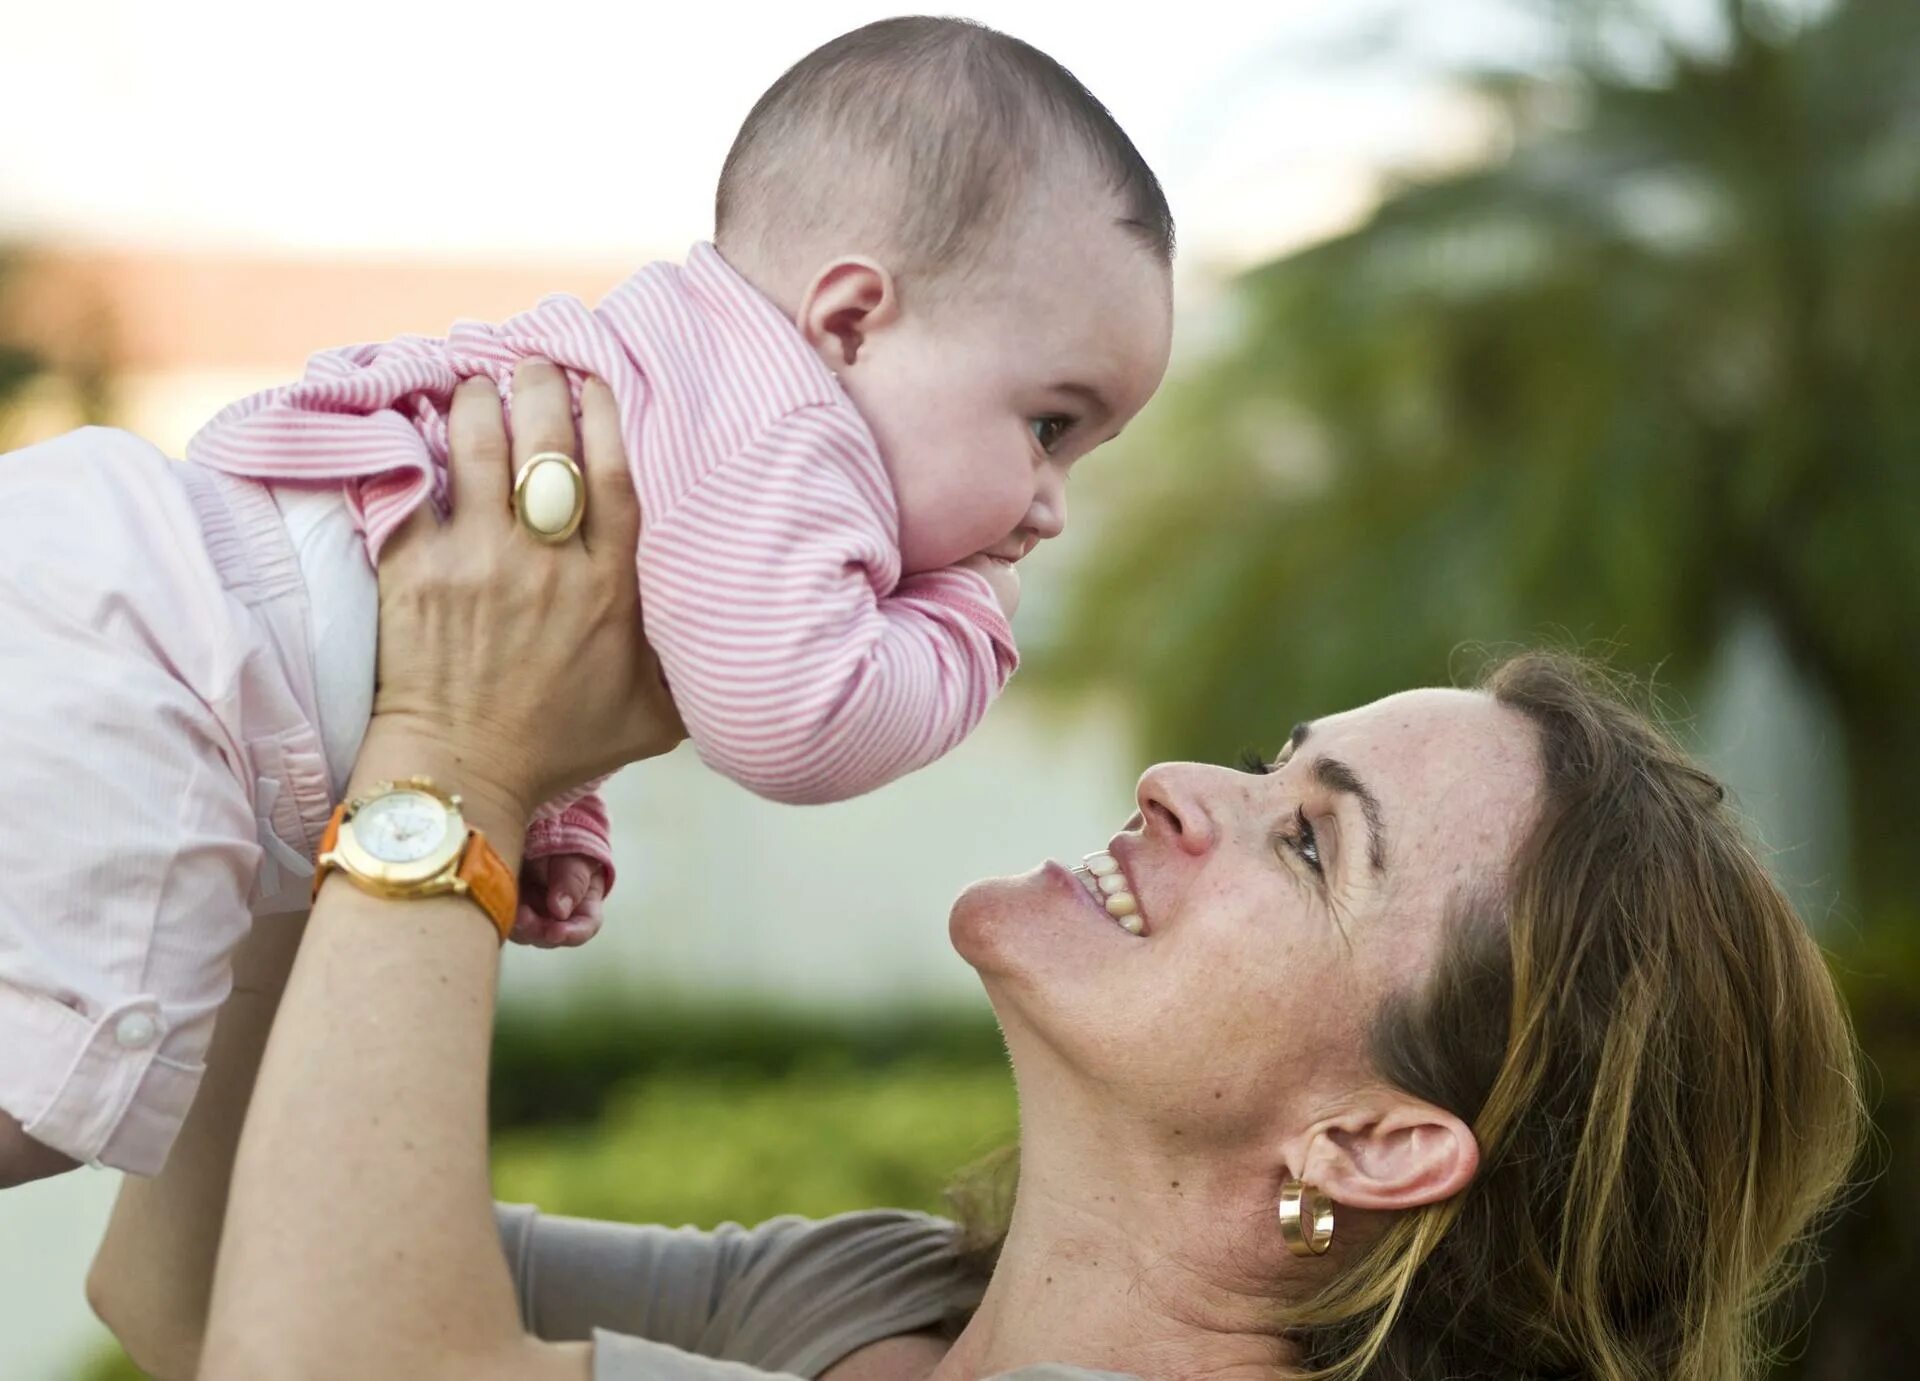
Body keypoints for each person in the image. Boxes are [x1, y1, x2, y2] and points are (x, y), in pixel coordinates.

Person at [88, 368, 1863, 1380]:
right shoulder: (880, 1304)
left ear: (1374, 1142)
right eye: (1268, 767)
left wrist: (455, 757)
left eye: (1312, 840)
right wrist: (333, 717)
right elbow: (206, 1289)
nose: (1186, 787)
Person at [0, 16, 1173, 1187]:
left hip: (118, 571)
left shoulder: (690, 373)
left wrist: (549, 807)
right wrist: (971, 615)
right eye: (1049, 427)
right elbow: (792, 721)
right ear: (852, 320)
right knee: (54, 1083)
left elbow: (515, 594)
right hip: (164, 661)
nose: (1050, 504)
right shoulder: (790, 433)